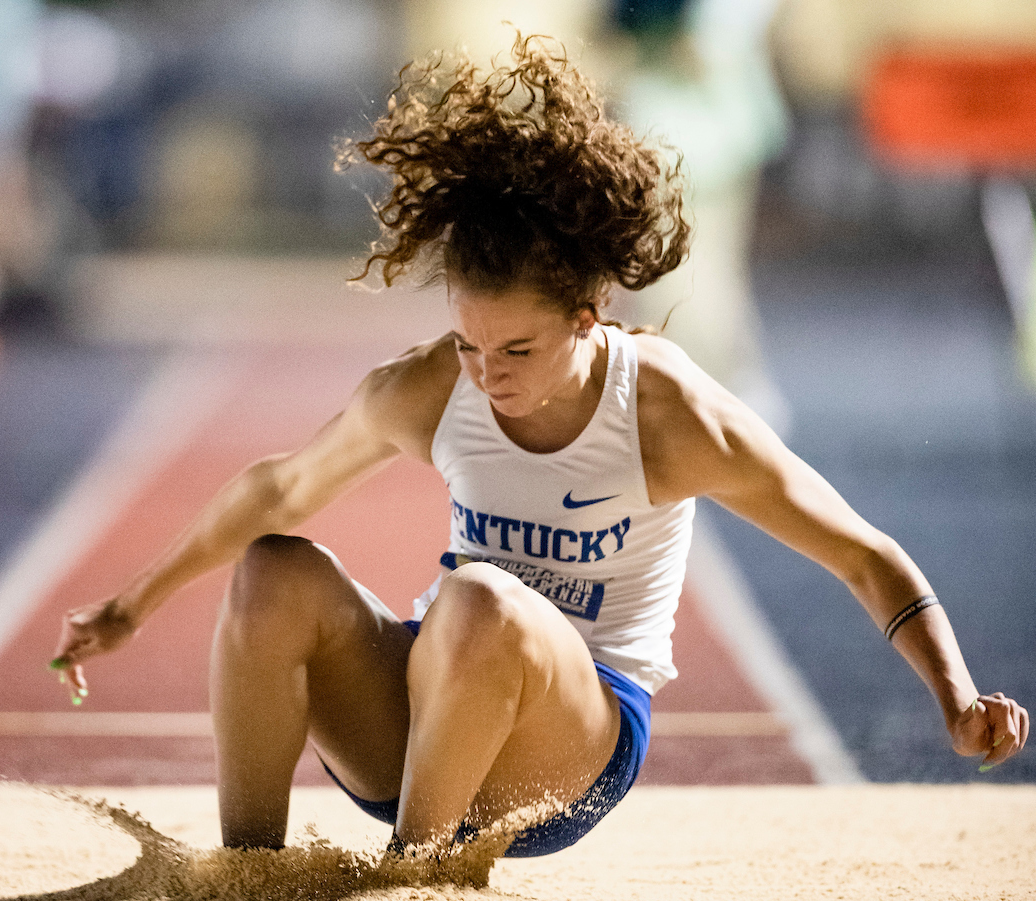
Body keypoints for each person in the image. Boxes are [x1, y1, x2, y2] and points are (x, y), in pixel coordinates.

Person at [52, 37, 1028, 856]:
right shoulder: (431, 386)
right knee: (273, 575)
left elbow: (860, 553)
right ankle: (248, 874)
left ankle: (414, 879)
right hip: (425, 714)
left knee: (483, 600)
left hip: (570, 751)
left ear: (589, 311)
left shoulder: (669, 414)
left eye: (517, 348)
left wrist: (952, 696)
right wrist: (134, 603)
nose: (488, 373)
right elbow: (278, 491)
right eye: (472, 344)